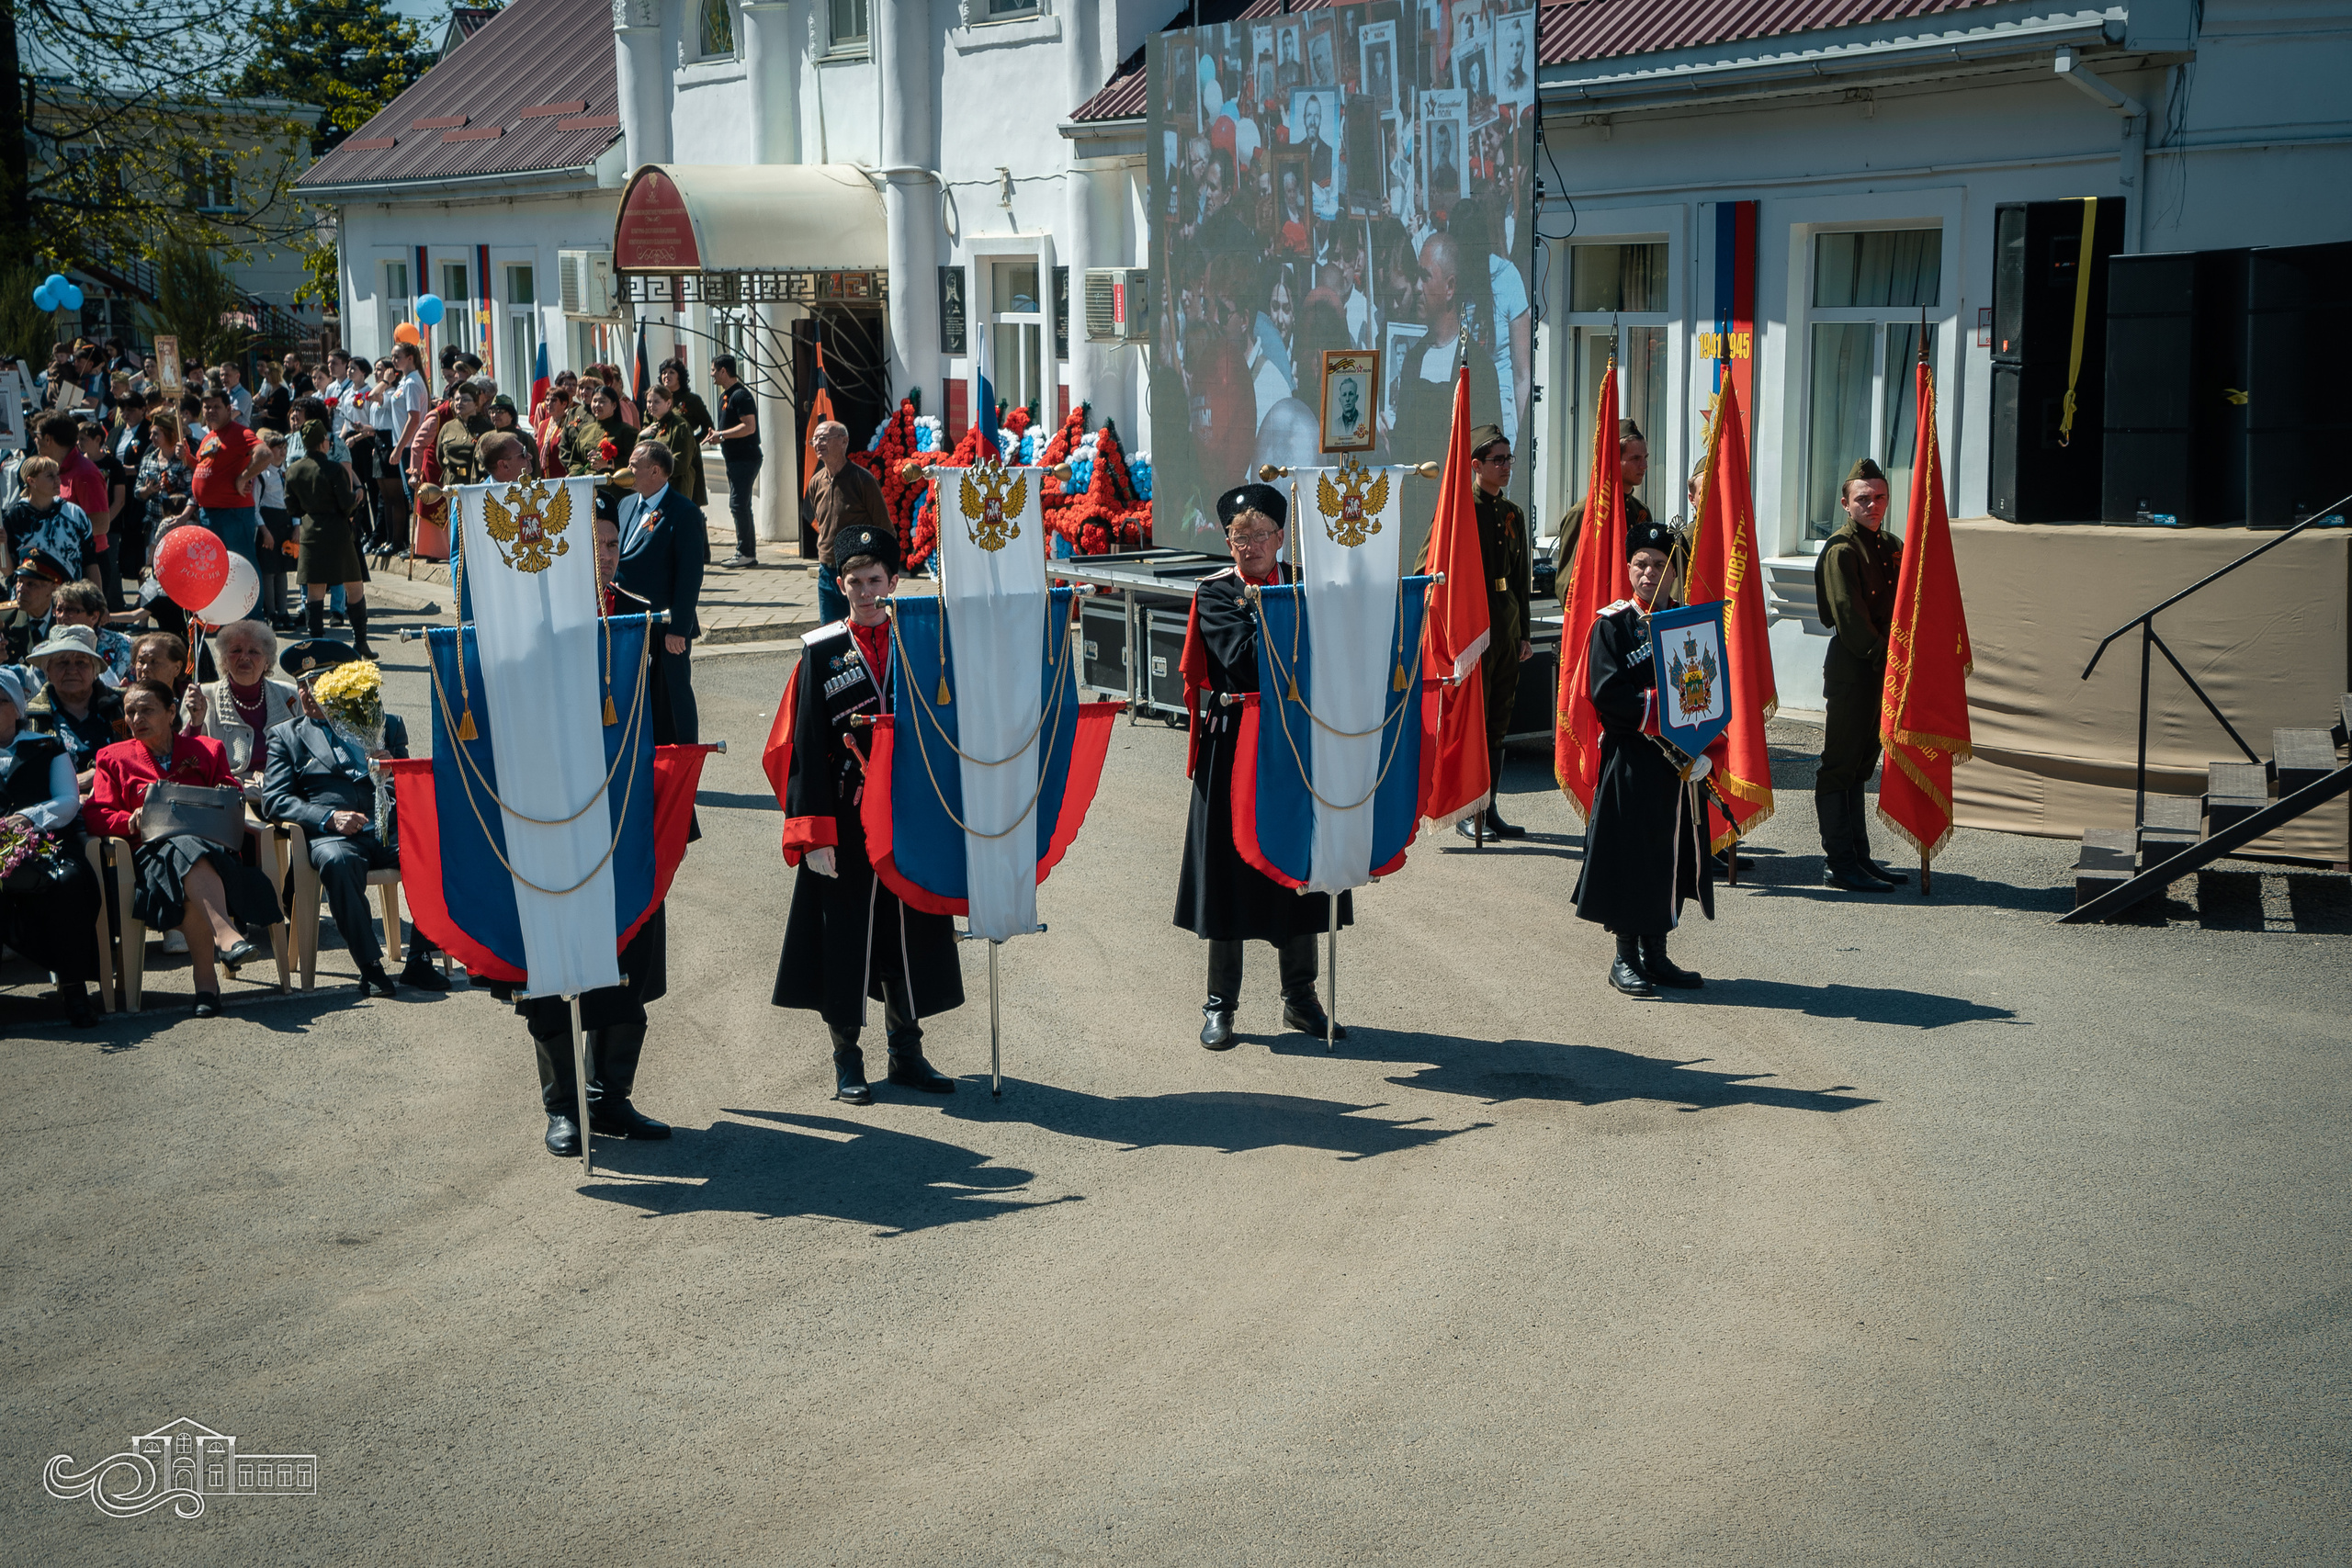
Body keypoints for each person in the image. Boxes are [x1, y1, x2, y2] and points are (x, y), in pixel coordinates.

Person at [770, 521, 962, 1102]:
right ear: (839, 583)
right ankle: (847, 1060)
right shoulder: (822, 651)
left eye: (874, 579)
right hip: (845, 818)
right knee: (846, 936)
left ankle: (907, 1053)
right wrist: (815, 834)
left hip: (908, 815)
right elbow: (802, 746)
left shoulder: (922, 641)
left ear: (894, 580)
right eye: (853, 580)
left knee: (909, 932)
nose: (864, 590)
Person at [1174, 483, 1346, 1049]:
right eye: (1238, 536)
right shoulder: (1218, 594)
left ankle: (1301, 998)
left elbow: (1336, 651)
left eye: (1258, 535)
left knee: (1299, 871)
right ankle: (1220, 1004)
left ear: (1281, 537)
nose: (1248, 547)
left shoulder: (1306, 582)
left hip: (1297, 745)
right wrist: (1297, 629)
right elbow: (1243, 660)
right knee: (1228, 877)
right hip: (1235, 746)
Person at [1570, 519, 1716, 998]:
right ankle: (1624, 956)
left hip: (1676, 765)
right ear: (1629, 570)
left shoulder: (1689, 623)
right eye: (1642, 565)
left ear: (1674, 572)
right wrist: (1666, 714)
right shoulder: (1612, 625)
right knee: (1630, 856)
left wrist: (1700, 742)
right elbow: (1607, 693)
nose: (1650, 573)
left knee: (1669, 855)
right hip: (1632, 757)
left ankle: (1657, 953)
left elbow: (1707, 687)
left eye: (1660, 565)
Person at [85, 678, 282, 1016]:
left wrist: (221, 791)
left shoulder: (207, 750)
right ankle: (225, 944)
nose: (136, 718)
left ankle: (207, 981)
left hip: (215, 855)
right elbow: (96, 814)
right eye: (130, 712)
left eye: (147, 709)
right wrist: (128, 821)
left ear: (171, 711)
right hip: (149, 860)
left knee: (190, 854)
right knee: (182, 847)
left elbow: (230, 795)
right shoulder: (112, 757)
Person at [262, 641, 447, 998]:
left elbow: (410, 788)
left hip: (387, 829)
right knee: (338, 861)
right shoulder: (286, 736)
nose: (307, 693)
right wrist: (329, 818)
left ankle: (421, 957)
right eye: (301, 685)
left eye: (317, 683)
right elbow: (275, 799)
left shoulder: (385, 725)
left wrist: (392, 771)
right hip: (336, 836)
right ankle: (370, 966)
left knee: (438, 850)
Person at [1420, 424, 1534, 841]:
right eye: (1497, 460)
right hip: (1472, 625)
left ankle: (1490, 807)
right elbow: (1427, 566)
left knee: (1499, 719)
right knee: (1473, 718)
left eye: (1509, 458)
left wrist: (1523, 632)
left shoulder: (1512, 512)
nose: (1506, 466)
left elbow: (1520, 579)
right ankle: (1467, 809)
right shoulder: (1457, 510)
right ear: (1474, 466)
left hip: (1504, 622)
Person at [1814, 457, 1907, 892]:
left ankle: (1861, 859)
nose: (1873, 505)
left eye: (1880, 497)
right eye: (1864, 498)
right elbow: (1850, 621)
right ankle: (1840, 862)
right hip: (1858, 669)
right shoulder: (1841, 550)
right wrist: (1886, 660)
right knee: (1839, 767)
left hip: (1883, 670)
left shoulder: (1891, 545)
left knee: (1860, 769)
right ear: (1846, 503)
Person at [0, 665, 104, 1026]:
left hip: (44, 843)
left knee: (70, 883)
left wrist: (28, 818)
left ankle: (74, 989)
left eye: (0, 701)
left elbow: (67, 800)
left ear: (17, 707)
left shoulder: (46, 746)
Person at [616, 440, 706, 745]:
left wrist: (679, 628)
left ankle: (683, 762)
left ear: (655, 471)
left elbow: (690, 576)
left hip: (666, 623)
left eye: (633, 466)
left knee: (672, 695)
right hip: (630, 620)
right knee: (638, 695)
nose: (627, 471)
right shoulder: (627, 504)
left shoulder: (683, 512)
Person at [285, 419, 372, 653]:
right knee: (354, 586)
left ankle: (316, 644)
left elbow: (292, 508)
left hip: (311, 530)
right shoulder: (334, 469)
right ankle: (360, 641)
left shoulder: (293, 470)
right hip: (339, 531)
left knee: (314, 592)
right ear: (324, 443)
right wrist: (355, 502)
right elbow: (345, 504)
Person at [195, 619, 300, 800]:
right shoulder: (203, 696)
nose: (244, 657)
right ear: (224, 661)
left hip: (285, 789)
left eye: (254, 651)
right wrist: (194, 721)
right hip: (228, 794)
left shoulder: (290, 695)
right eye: (236, 650)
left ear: (267, 662)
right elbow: (189, 756)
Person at [802, 419, 888, 624]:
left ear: (843, 441)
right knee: (831, 634)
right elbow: (822, 524)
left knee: (862, 629)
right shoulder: (816, 482)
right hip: (827, 571)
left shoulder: (862, 480)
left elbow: (884, 528)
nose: (818, 444)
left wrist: (879, 573)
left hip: (859, 573)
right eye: (815, 440)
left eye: (824, 438)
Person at [192, 380, 269, 603]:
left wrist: (243, 477)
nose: (210, 411)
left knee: (242, 569)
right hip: (209, 513)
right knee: (218, 572)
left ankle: (252, 621)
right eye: (206, 407)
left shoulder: (239, 432)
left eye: (216, 407)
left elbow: (264, 454)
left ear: (229, 409)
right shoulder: (209, 436)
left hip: (233, 514)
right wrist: (187, 458)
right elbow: (207, 472)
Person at [24, 625, 125, 785]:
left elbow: (140, 754)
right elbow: (28, 773)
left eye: (81, 662)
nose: (72, 670)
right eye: (62, 663)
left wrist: (98, 774)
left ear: (95, 670)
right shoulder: (28, 715)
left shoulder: (123, 706)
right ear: (47, 671)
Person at [1557, 420, 1653, 573]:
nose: (1644, 465)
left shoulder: (1641, 512)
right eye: (1635, 459)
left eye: (1645, 458)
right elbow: (1568, 581)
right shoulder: (1584, 513)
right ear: (1615, 460)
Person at [705, 355, 761, 568]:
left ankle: (745, 552)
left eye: (713, 370)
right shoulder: (725, 396)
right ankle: (747, 552)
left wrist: (723, 434)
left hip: (745, 458)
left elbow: (749, 427)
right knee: (741, 505)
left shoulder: (740, 396)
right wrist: (718, 434)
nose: (711, 374)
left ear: (723, 371)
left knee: (738, 505)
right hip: (734, 459)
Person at [4, 454, 95, 583]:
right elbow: (8, 571)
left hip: (69, 597)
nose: (58, 480)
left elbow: (90, 562)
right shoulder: (14, 517)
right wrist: (1, 545)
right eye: (50, 476)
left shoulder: (75, 514)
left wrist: (96, 599)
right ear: (31, 481)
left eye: (57, 475)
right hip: (29, 598)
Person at [78, 417, 133, 609]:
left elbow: (120, 499)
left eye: (84, 439)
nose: (79, 443)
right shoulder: (78, 465)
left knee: (109, 566)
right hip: (83, 527)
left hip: (109, 525)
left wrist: (105, 522)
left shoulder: (113, 465)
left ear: (97, 440)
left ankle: (115, 607)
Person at [565, 382, 637, 525]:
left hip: (616, 495)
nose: (597, 405)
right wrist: (577, 475)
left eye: (602, 402)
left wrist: (609, 464)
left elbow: (634, 463)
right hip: (589, 493)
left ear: (614, 405)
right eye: (595, 401)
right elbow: (575, 462)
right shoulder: (585, 431)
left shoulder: (626, 432)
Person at [48, 581, 132, 683]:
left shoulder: (122, 645)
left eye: (71, 610)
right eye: (59, 610)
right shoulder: (44, 651)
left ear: (94, 617)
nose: (62, 616)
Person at [641, 383, 706, 510]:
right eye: (649, 402)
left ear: (668, 403)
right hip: (653, 490)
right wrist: (641, 436)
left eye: (656, 402)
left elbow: (680, 464)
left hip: (675, 489)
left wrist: (653, 472)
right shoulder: (652, 426)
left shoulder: (679, 426)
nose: (651, 406)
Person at [4, 552, 68, 666]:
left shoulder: (66, 621)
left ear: (53, 587)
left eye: (31, 584)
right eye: (19, 581)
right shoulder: (4, 619)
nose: (21, 589)